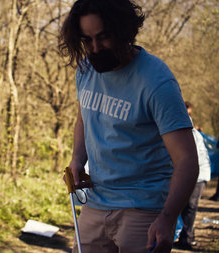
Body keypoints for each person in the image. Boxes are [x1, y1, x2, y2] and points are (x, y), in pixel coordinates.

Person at [58, 0, 199, 252]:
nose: (95, 48)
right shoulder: (85, 69)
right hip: (94, 203)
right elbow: (84, 116)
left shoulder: (157, 81)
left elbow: (187, 159)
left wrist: (167, 219)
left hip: (144, 210)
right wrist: (78, 158)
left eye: (103, 37)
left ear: (124, 31)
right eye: (87, 40)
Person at [174, 102, 211, 250]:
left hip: (199, 174)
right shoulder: (187, 132)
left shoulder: (189, 134)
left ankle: (187, 239)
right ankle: (186, 236)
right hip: (194, 173)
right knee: (185, 207)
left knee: (190, 207)